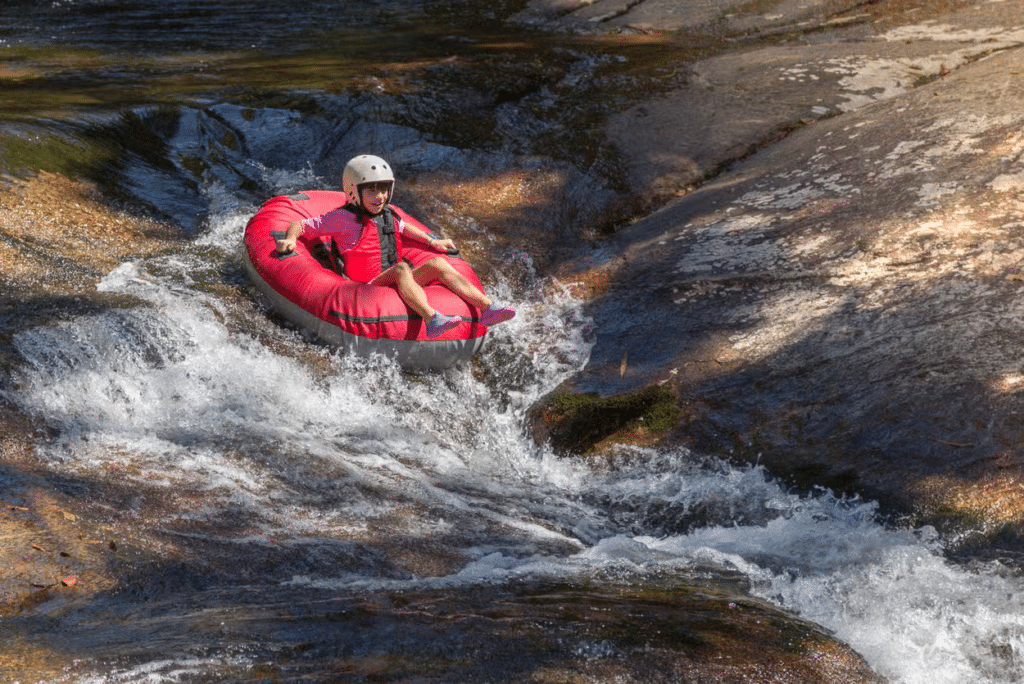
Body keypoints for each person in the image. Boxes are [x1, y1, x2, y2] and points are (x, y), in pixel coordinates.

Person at [274, 154, 516, 338]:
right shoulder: (342, 219)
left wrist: (433, 241)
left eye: (383, 190)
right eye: (371, 190)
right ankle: (432, 319)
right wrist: (291, 238)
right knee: (402, 269)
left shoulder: (388, 214)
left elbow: (404, 228)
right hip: (365, 286)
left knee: (438, 264)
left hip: (394, 280)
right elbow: (302, 224)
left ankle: (487, 308)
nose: (379, 196)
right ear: (353, 191)